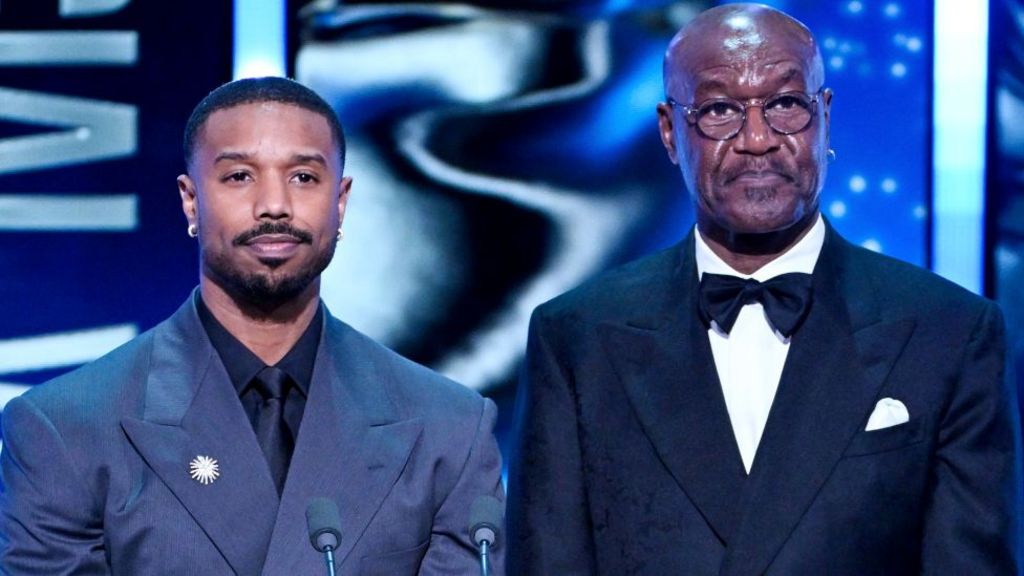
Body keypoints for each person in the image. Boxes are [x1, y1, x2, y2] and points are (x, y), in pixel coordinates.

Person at [507, 4, 1021, 574]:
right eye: (720, 110)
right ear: (669, 132)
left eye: (784, 105)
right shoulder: (578, 338)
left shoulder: (948, 332)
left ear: (823, 116)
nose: (758, 139)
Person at [0, 77, 505, 575]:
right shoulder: (66, 431)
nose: (274, 205)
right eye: (240, 176)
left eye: (304, 177)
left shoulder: (450, 430)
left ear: (342, 200)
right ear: (190, 200)